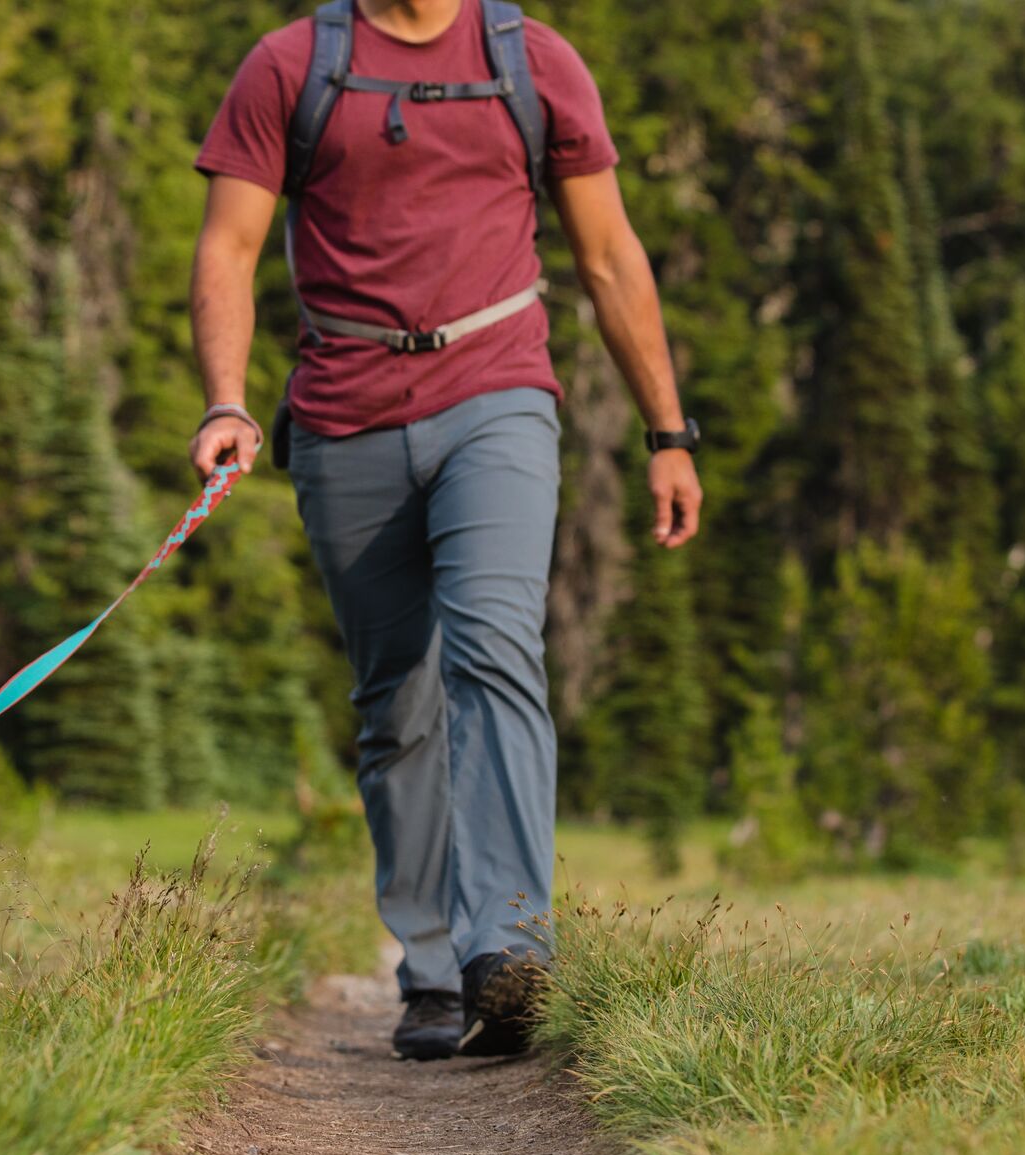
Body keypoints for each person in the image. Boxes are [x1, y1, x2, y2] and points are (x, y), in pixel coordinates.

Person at [188, 0, 702, 1060]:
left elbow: (608, 257)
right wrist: (227, 400)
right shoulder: (292, 65)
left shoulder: (533, 62)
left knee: (496, 647)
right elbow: (230, 248)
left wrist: (668, 430)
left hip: (498, 395)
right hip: (342, 416)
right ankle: (429, 968)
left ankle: (509, 951)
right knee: (397, 701)